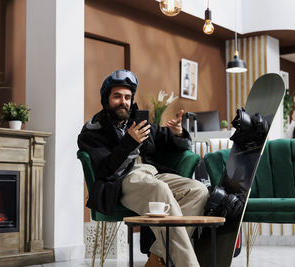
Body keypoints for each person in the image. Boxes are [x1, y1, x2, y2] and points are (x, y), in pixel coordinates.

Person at [78, 70, 208, 267]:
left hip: (150, 174)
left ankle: (158, 257)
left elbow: (176, 144)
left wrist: (179, 132)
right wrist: (128, 143)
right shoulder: (93, 130)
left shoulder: (139, 122)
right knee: (159, 189)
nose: (123, 101)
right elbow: (104, 170)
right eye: (117, 96)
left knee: (199, 190)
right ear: (106, 99)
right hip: (121, 181)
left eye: (128, 97)